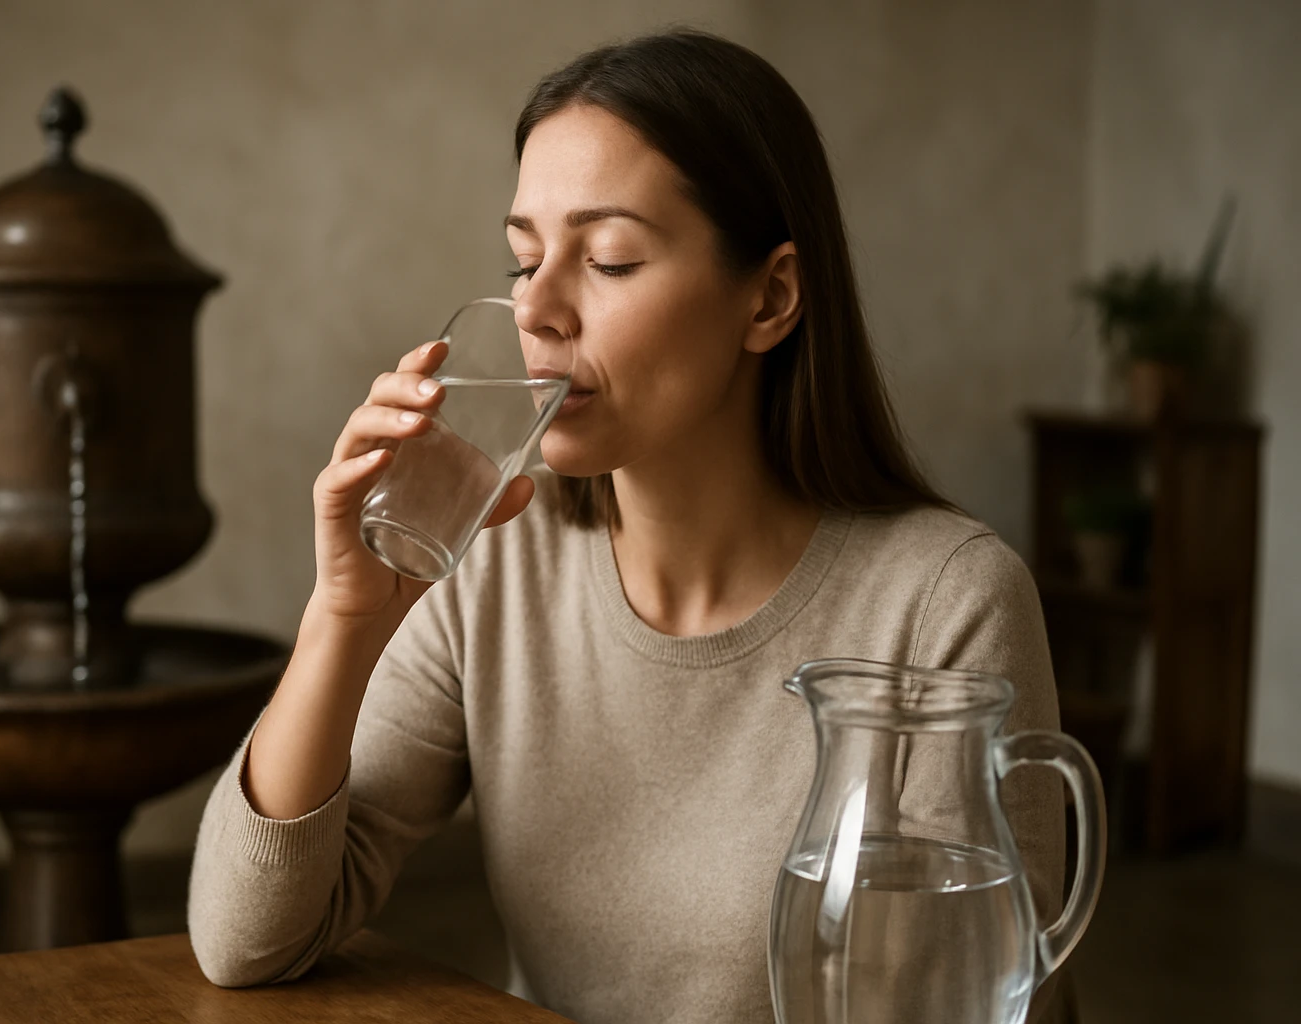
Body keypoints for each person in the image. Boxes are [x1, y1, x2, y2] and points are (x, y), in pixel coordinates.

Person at [189, 29, 1066, 1024]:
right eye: (524, 260)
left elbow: (983, 996)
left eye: (608, 259)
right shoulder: (493, 563)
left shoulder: (947, 599)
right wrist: (344, 617)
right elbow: (245, 940)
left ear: (771, 296)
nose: (538, 309)